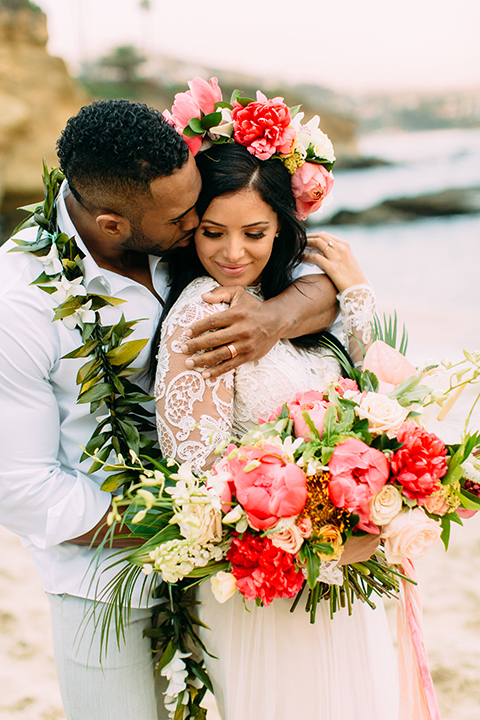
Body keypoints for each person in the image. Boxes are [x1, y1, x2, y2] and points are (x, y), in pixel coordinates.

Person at [0, 99, 339, 720]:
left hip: (232, 570)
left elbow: (315, 279)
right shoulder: (19, 306)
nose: (201, 220)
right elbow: (18, 488)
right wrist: (194, 523)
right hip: (104, 577)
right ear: (112, 226)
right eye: (189, 216)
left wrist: (273, 319)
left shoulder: (180, 228)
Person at [154, 141, 399, 720]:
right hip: (274, 585)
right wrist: (328, 534)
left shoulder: (281, 298)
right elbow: (197, 480)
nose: (233, 253)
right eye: (213, 233)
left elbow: (380, 403)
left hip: (332, 574)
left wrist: (357, 296)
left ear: (281, 228)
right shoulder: (201, 313)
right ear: (189, 228)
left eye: (254, 233)